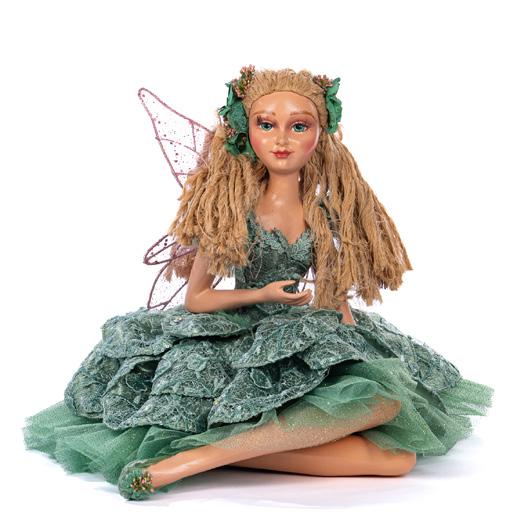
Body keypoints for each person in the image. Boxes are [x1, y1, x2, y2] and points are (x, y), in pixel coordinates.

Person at [22, 66, 494, 501]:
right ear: (245, 132)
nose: (282, 139)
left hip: (302, 332)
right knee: (390, 457)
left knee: (396, 445)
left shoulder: (322, 213)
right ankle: (185, 462)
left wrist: (353, 343)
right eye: (267, 125)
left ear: (321, 135)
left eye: (299, 126)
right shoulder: (232, 210)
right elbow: (198, 298)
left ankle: (201, 455)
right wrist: (262, 294)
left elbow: (334, 297)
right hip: (238, 332)